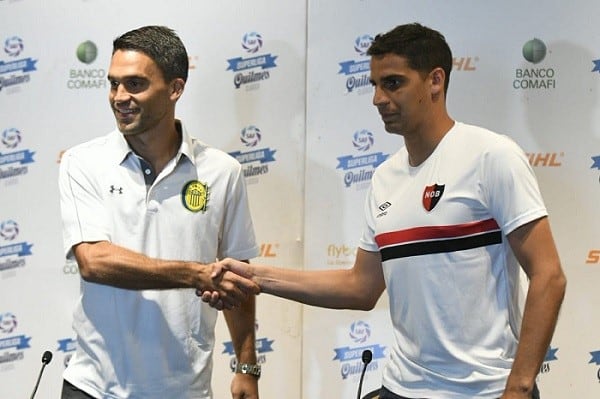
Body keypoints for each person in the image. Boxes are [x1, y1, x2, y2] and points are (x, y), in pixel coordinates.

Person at [203, 23, 566, 399]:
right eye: (374, 84)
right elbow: (361, 286)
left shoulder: (492, 156)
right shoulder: (384, 177)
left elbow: (549, 275)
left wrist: (520, 387)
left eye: (393, 83)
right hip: (401, 388)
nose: (377, 98)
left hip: (485, 392)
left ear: (435, 81)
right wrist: (254, 275)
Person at [58, 25, 261, 399]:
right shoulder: (81, 162)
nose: (119, 97)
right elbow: (94, 262)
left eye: (134, 84)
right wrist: (195, 274)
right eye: (113, 84)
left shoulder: (222, 171)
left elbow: (236, 278)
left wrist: (246, 366)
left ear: (175, 88)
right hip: (93, 388)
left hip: (184, 389)